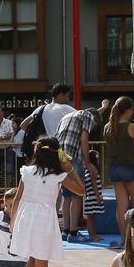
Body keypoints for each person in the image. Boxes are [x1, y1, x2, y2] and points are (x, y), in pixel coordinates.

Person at [10, 136, 85, 267]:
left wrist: (13, 223)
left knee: (32, 258)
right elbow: (81, 191)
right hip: (43, 220)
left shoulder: (27, 171)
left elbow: (17, 198)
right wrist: (71, 170)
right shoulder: (58, 175)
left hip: (25, 217)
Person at [102, 96, 134, 251]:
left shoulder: (108, 127)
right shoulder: (132, 127)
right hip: (131, 167)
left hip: (114, 169)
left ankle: (124, 239)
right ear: (128, 110)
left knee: (121, 206)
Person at [55, 99, 99, 239]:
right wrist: (88, 163)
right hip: (73, 156)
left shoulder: (67, 116)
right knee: (77, 194)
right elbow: (84, 140)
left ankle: (66, 230)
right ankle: (73, 232)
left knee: (66, 196)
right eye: (94, 127)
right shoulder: (88, 116)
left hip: (60, 156)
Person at [82, 148, 106, 242]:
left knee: (92, 218)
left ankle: (93, 234)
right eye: (97, 158)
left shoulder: (87, 170)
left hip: (90, 197)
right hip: (93, 197)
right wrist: (97, 197)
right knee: (91, 218)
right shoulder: (93, 170)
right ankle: (92, 235)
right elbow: (94, 183)